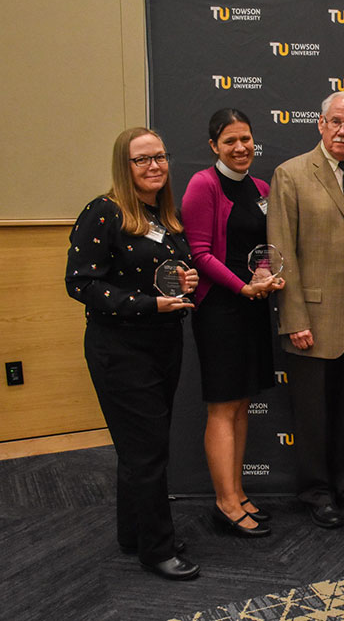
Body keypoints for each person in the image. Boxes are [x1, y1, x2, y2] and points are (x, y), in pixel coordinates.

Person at [66, 127, 201, 580]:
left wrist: (185, 284)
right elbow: (81, 282)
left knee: (141, 448)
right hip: (121, 347)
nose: (154, 166)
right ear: (124, 167)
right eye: (142, 159)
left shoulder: (164, 216)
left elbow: (164, 273)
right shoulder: (103, 212)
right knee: (146, 453)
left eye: (159, 156)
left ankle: (135, 533)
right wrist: (147, 304)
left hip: (164, 341)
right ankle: (157, 550)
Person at [267, 91, 344, 529]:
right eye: (335, 121)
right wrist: (293, 317)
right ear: (320, 124)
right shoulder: (291, 174)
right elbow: (281, 253)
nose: (342, 130)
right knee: (313, 414)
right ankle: (318, 493)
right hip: (312, 319)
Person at [181, 108, 283, 538]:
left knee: (242, 405)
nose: (241, 148)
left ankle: (237, 493)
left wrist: (263, 275)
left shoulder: (260, 188)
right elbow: (200, 254)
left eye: (246, 139)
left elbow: (260, 248)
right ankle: (224, 503)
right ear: (213, 146)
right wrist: (242, 287)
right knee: (223, 407)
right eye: (230, 141)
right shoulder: (203, 185)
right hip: (221, 310)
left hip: (253, 306)